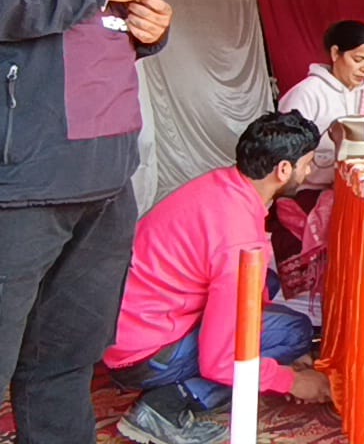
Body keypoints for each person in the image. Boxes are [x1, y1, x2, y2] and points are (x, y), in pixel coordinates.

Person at [0, 0, 177, 441]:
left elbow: (79, 12)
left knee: (64, 366)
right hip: (23, 173)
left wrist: (140, 24)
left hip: (102, 166)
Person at [105, 112, 330, 444]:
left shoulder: (225, 184)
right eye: (307, 165)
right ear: (283, 170)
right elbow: (221, 362)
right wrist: (291, 381)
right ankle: (164, 405)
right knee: (289, 334)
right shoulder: (238, 240)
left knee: (275, 298)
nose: (309, 173)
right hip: (144, 354)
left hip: (124, 327)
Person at [273, 20, 364, 325]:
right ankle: (328, 318)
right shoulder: (306, 94)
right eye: (358, 59)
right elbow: (287, 156)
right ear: (336, 53)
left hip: (357, 190)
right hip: (310, 191)